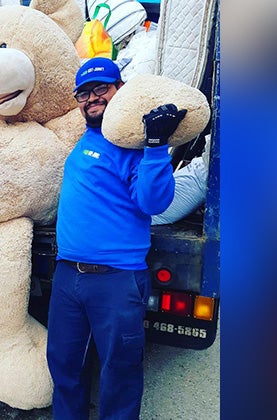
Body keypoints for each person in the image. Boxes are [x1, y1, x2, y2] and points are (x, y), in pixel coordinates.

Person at [46, 57, 187, 419]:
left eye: (100, 89)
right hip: (68, 275)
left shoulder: (137, 147)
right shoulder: (86, 138)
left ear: (119, 90)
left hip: (116, 279)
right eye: (84, 93)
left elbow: (154, 201)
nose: (91, 98)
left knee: (119, 371)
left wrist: (156, 147)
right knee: (64, 364)